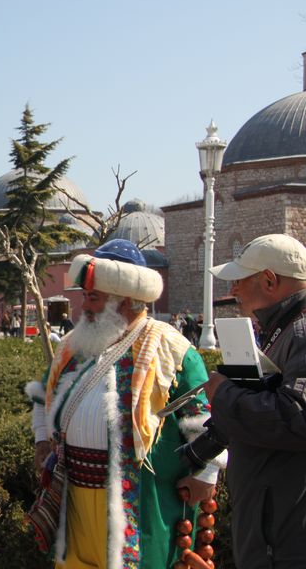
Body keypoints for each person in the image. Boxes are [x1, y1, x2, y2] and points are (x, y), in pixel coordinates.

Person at [26, 239, 220, 568]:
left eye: (94, 298)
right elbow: (43, 398)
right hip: (74, 497)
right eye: (86, 297)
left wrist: (208, 474)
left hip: (141, 501)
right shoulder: (73, 346)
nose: (84, 307)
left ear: (125, 300)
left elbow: (201, 420)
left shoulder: (171, 347)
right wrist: (42, 440)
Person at [205, 233, 306, 567]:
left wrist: (223, 394)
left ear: (269, 280)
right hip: (274, 527)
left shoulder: (301, 331)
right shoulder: (287, 328)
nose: (232, 289)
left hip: (286, 536)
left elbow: (296, 418)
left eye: (239, 279)